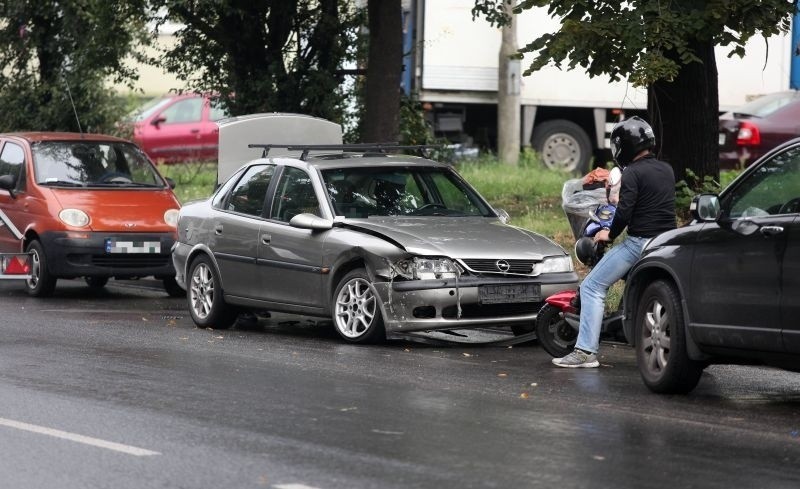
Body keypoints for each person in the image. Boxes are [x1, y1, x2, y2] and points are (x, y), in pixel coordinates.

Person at [552, 116, 677, 368]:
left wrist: (607, 234)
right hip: (664, 243)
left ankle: (585, 352)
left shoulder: (632, 173)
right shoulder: (666, 169)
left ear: (624, 146)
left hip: (639, 243)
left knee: (591, 287)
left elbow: (625, 212)